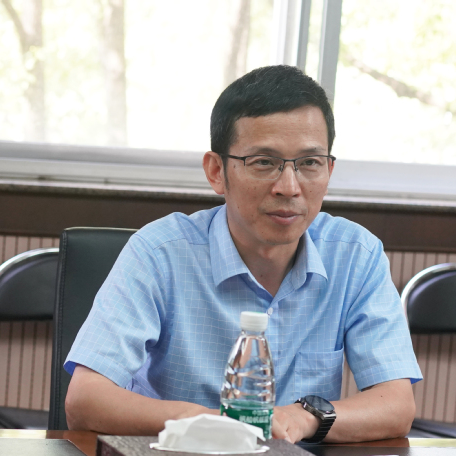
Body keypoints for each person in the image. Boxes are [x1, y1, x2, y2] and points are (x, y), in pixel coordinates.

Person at [64, 65, 422, 443]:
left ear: (329, 170)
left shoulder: (356, 255)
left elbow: (396, 406)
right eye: (263, 162)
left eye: (309, 163)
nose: (289, 187)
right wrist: (210, 422)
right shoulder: (158, 252)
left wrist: (304, 417)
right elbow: (85, 400)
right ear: (216, 171)